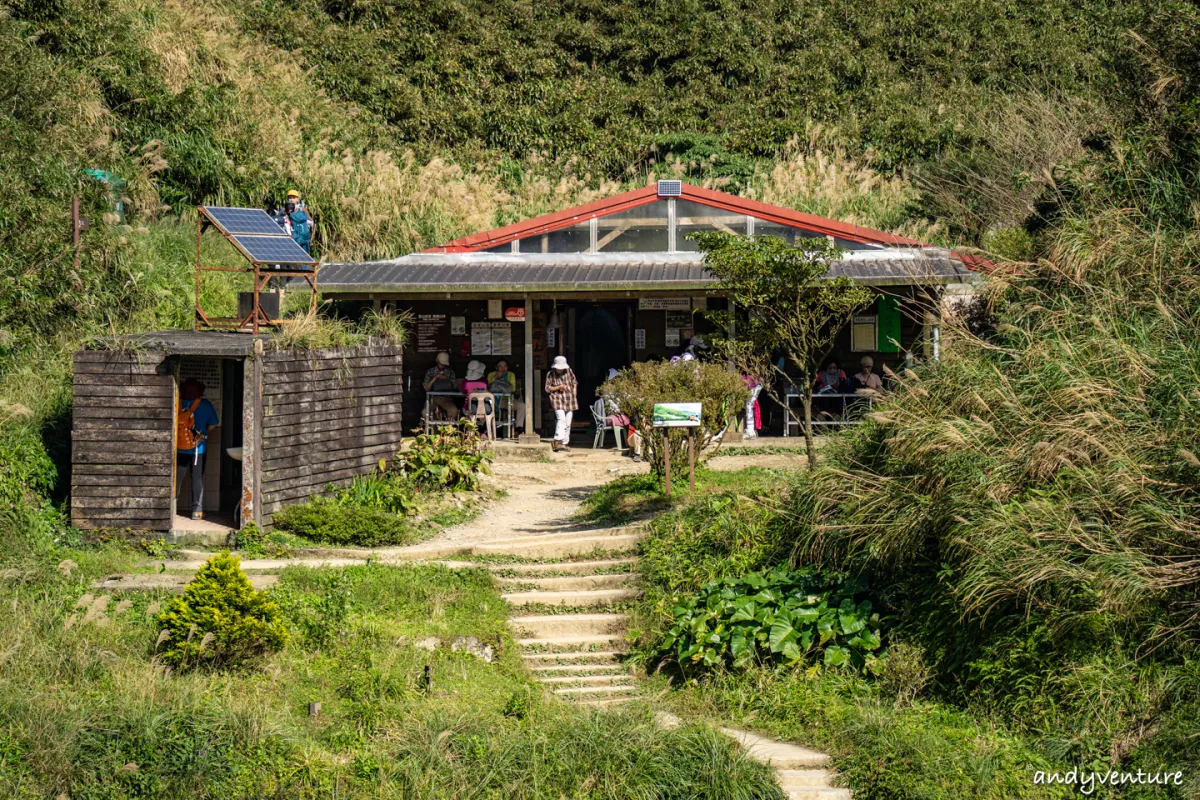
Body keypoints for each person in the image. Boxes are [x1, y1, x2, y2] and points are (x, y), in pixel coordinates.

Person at [176, 378, 219, 521]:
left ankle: (171, 509)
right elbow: (213, 424)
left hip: (178, 448)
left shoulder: (176, 402)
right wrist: (203, 434)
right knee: (197, 478)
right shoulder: (205, 405)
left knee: (176, 479)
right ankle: (197, 511)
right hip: (198, 450)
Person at [544, 355, 578, 452]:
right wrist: (559, 387)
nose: (560, 370)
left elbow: (574, 381)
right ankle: (557, 440)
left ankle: (565, 443)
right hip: (557, 398)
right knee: (561, 418)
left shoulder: (569, 371)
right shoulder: (550, 374)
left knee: (568, 422)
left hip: (569, 398)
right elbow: (547, 388)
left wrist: (574, 390)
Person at [487, 359, 524, 432]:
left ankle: (518, 429)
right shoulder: (491, 374)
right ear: (496, 368)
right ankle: (486, 429)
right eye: (500, 366)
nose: (503, 368)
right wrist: (496, 377)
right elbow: (488, 387)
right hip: (493, 402)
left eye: (505, 366)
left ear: (507, 368)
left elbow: (512, 389)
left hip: (507, 401)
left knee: (522, 406)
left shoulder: (511, 375)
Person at [423, 352, 459, 422]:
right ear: (437, 360)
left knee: (454, 411)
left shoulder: (450, 372)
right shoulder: (430, 371)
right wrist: (434, 379)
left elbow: (455, 386)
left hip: (446, 398)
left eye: (444, 364)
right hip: (433, 398)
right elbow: (426, 388)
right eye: (441, 363)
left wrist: (446, 379)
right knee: (425, 412)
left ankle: (449, 430)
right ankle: (432, 430)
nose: (442, 365)